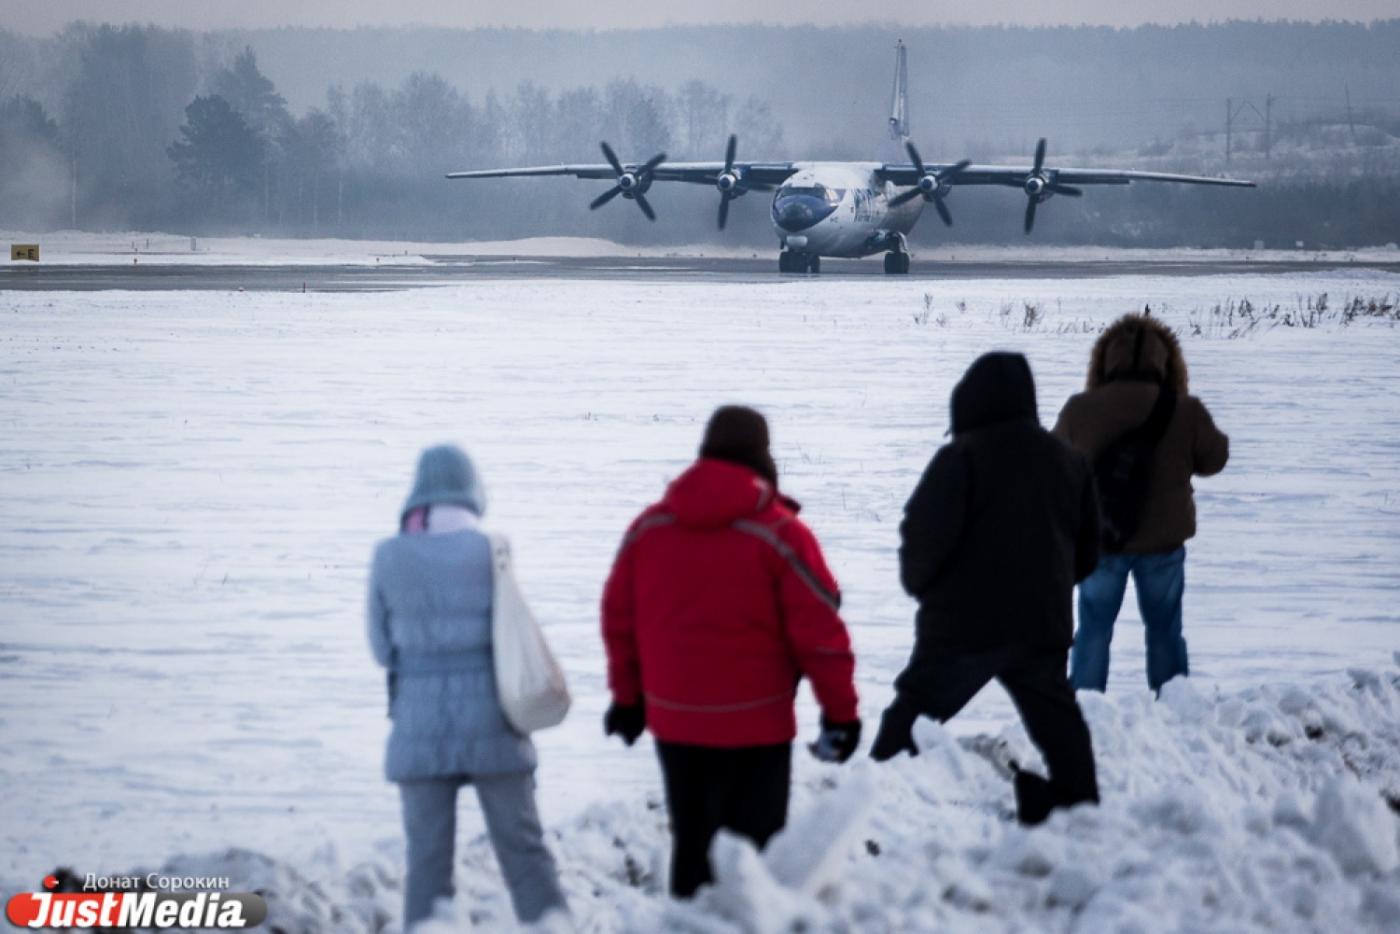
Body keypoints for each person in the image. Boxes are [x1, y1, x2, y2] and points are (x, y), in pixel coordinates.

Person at [601, 406, 861, 898]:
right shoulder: (782, 534)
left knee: (693, 846)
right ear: (763, 460)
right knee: (756, 859)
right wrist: (840, 715)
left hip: (677, 723)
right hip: (757, 726)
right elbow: (822, 634)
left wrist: (629, 700)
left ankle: (687, 923)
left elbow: (620, 622)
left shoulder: (648, 529)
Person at [870, 353, 1101, 826]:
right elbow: (1089, 549)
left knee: (911, 716)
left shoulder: (961, 458)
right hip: (1041, 623)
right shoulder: (1068, 461)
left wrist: (924, 589)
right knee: (1060, 728)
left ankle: (870, 806)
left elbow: (923, 534)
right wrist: (1052, 586)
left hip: (964, 625)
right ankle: (1078, 810)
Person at [367, 445, 568, 928]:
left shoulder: (389, 555)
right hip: (493, 724)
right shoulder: (493, 549)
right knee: (524, 851)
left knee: (428, 865)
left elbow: (381, 649)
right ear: (472, 491)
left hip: (419, 729)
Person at [1053, 313, 1229, 693]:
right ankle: (1173, 708)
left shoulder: (1079, 409)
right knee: (1165, 630)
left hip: (1102, 542)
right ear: (1166, 360)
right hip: (1163, 543)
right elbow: (1215, 460)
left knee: (1093, 630)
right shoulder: (1185, 410)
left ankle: (1085, 708)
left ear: (1104, 360)